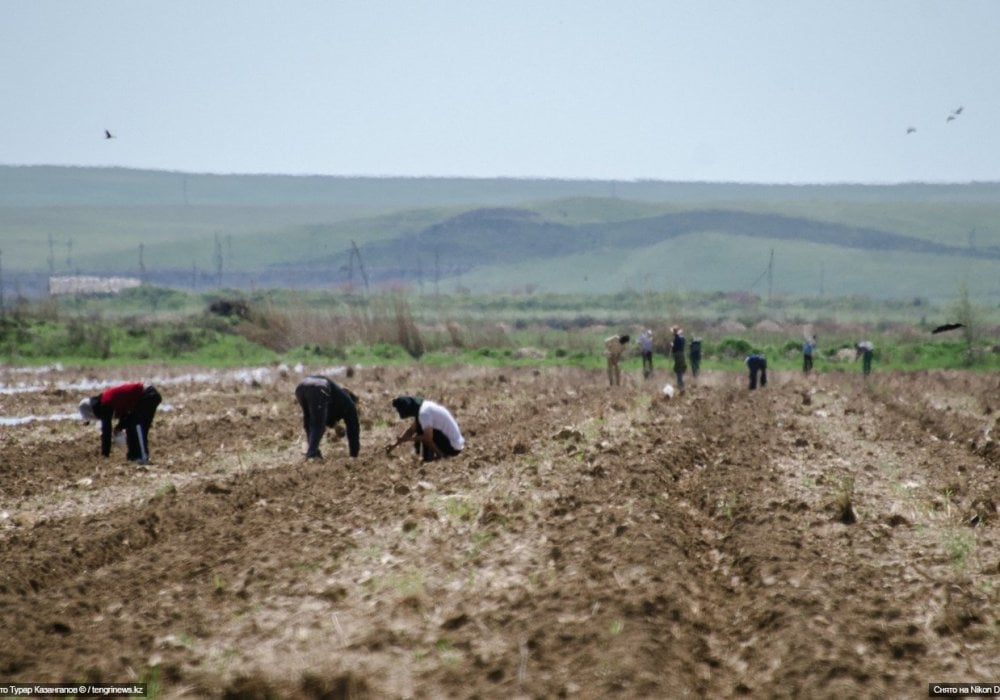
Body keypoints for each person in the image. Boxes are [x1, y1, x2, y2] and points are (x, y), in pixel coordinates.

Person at [79, 382, 162, 464]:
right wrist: (119, 427)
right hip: (146, 397)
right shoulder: (108, 401)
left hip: (148, 395)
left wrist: (105, 455)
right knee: (132, 425)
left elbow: (106, 432)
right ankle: (133, 456)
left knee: (136, 425)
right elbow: (126, 415)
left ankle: (142, 457)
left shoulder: (105, 403)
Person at [294, 375, 360, 460]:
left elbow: (325, 416)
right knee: (318, 425)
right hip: (319, 387)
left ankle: (314, 452)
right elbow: (353, 428)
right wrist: (354, 454)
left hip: (301, 387)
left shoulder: (336, 398)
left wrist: (335, 425)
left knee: (309, 422)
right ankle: (312, 455)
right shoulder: (350, 405)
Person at [387, 395, 465, 462]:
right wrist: (394, 445)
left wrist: (409, 439)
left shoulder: (424, 413)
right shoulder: (425, 407)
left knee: (423, 433)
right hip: (455, 444)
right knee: (421, 429)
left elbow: (427, 437)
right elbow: (411, 430)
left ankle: (437, 457)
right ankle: (435, 456)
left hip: (453, 448)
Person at [670, 326, 687, 390]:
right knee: (679, 368)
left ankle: (680, 383)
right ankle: (680, 383)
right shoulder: (681, 338)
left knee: (678, 369)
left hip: (678, 355)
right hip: (681, 355)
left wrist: (672, 345)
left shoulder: (677, 338)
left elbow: (675, 348)